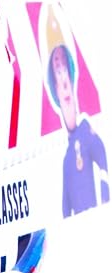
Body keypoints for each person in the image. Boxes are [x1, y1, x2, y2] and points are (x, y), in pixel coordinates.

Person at [43, 5, 109, 217]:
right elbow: (65, 207)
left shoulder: (88, 133)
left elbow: (104, 165)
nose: (64, 81)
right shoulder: (65, 159)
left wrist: (105, 202)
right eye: (58, 71)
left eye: (65, 69)